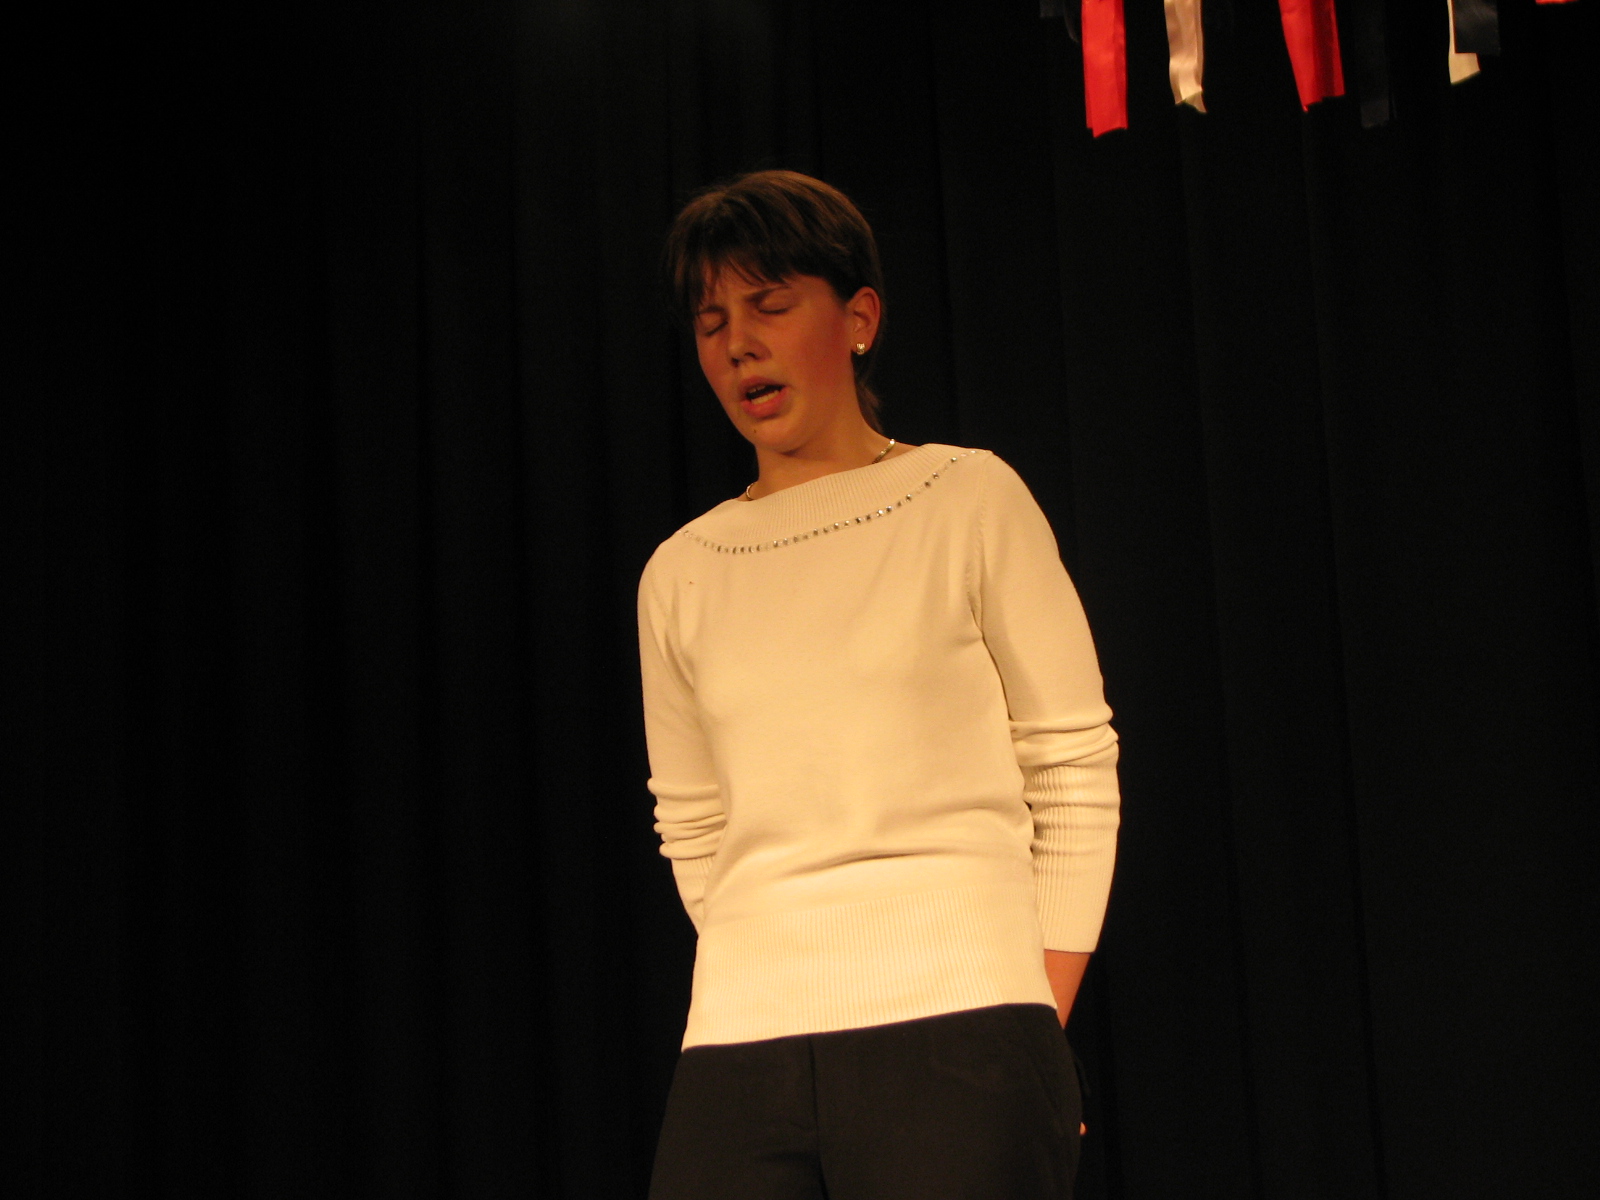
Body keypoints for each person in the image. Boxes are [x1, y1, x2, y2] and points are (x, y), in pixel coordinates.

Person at [637, 169, 1120, 1200]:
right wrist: (779, 963)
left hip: (964, 1026)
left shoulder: (965, 498)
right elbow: (693, 821)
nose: (738, 344)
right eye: (712, 323)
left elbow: (1072, 763)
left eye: (770, 305)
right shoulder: (681, 571)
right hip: (738, 1043)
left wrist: (1031, 1011)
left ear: (858, 318)